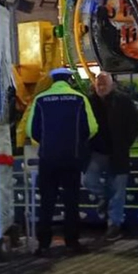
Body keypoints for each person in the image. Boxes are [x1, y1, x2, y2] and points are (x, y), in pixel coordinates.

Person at [26, 67, 98, 257]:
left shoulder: (40, 100)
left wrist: (47, 143)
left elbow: (30, 130)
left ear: (53, 80)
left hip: (48, 158)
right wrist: (76, 141)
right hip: (72, 157)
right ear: (69, 80)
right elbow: (92, 127)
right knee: (71, 201)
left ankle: (43, 244)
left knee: (47, 202)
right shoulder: (79, 99)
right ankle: (72, 242)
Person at [84, 72, 138, 240]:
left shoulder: (123, 101)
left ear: (112, 85)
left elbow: (136, 123)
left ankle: (114, 224)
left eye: (104, 85)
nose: (101, 88)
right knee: (89, 180)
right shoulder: (89, 101)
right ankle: (105, 199)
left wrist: (125, 142)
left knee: (118, 189)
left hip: (118, 150)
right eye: (99, 85)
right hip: (98, 150)